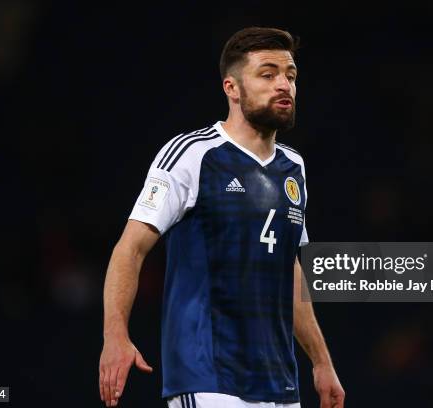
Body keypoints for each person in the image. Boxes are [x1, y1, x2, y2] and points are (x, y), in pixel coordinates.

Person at [99, 27, 345, 408]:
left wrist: (321, 362)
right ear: (232, 88)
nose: (284, 85)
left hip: (279, 383)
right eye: (267, 74)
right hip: (208, 374)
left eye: (290, 76)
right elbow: (129, 249)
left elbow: (289, 270)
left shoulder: (293, 167)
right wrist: (115, 335)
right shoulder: (193, 154)